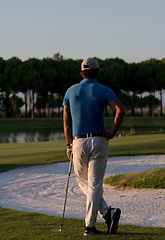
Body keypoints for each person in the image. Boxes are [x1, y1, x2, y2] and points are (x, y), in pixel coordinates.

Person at [63, 58, 125, 236]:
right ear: (97, 73)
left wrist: (68, 144)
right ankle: (107, 214)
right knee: (94, 185)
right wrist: (112, 133)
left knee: (85, 183)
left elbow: (66, 121)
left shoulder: (70, 91)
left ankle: (92, 224)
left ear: (82, 73)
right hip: (98, 140)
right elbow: (120, 111)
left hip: (77, 141)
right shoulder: (104, 90)